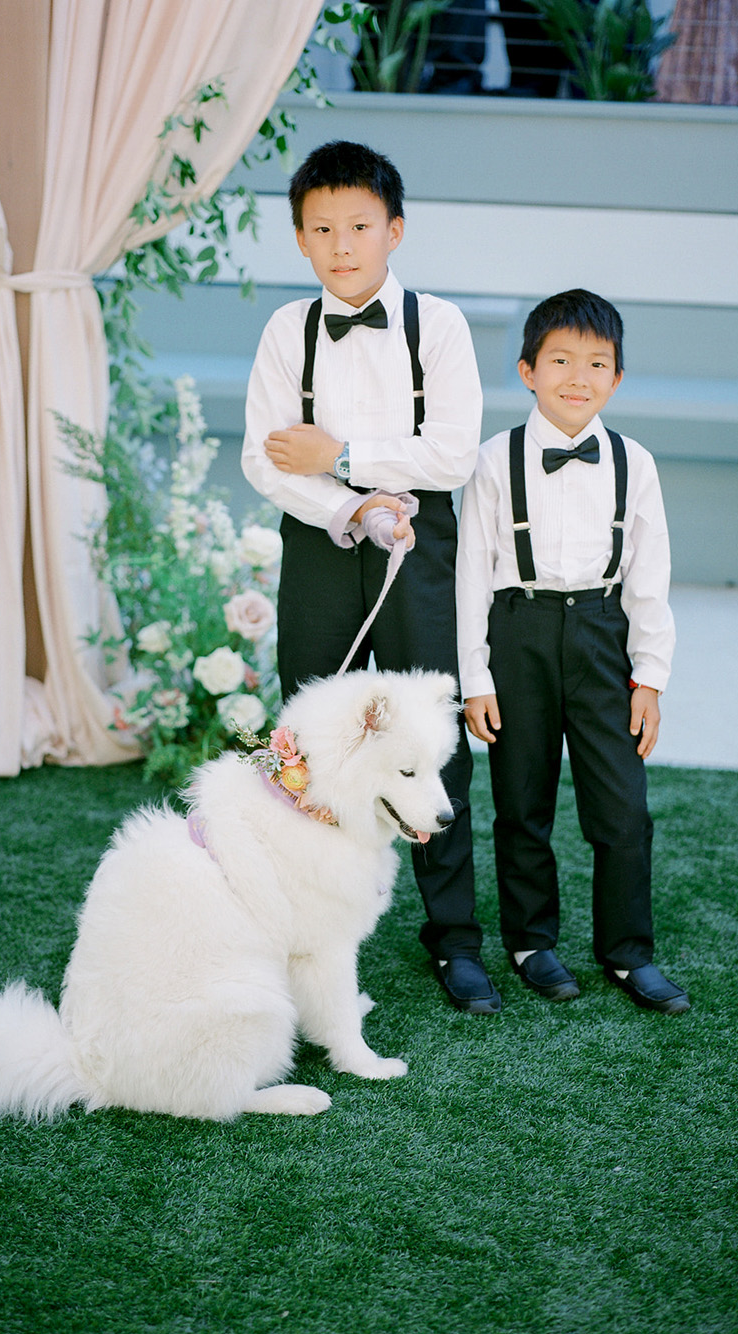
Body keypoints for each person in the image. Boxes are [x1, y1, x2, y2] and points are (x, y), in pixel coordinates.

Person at [242, 140, 501, 1016]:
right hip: (319, 549)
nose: (342, 243)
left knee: (431, 742)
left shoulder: (441, 326)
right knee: (305, 738)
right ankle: (291, 927)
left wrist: (343, 454)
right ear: (301, 240)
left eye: (359, 226)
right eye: (322, 229)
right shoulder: (288, 331)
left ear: (394, 230)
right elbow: (267, 458)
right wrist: (346, 503)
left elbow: (454, 453)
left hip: (421, 553)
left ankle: (455, 940)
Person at [456, 290, 690, 1015]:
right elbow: (469, 575)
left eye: (597, 363)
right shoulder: (495, 461)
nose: (577, 377)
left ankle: (627, 954)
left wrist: (649, 678)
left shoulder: (633, 461)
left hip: (599, 635)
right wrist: (476, 677)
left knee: (622, 809)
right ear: (528, 370)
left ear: (616, 379)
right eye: (560, 360)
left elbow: (651, 578)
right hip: (517, 632)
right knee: (522, 801)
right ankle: (532, 944)